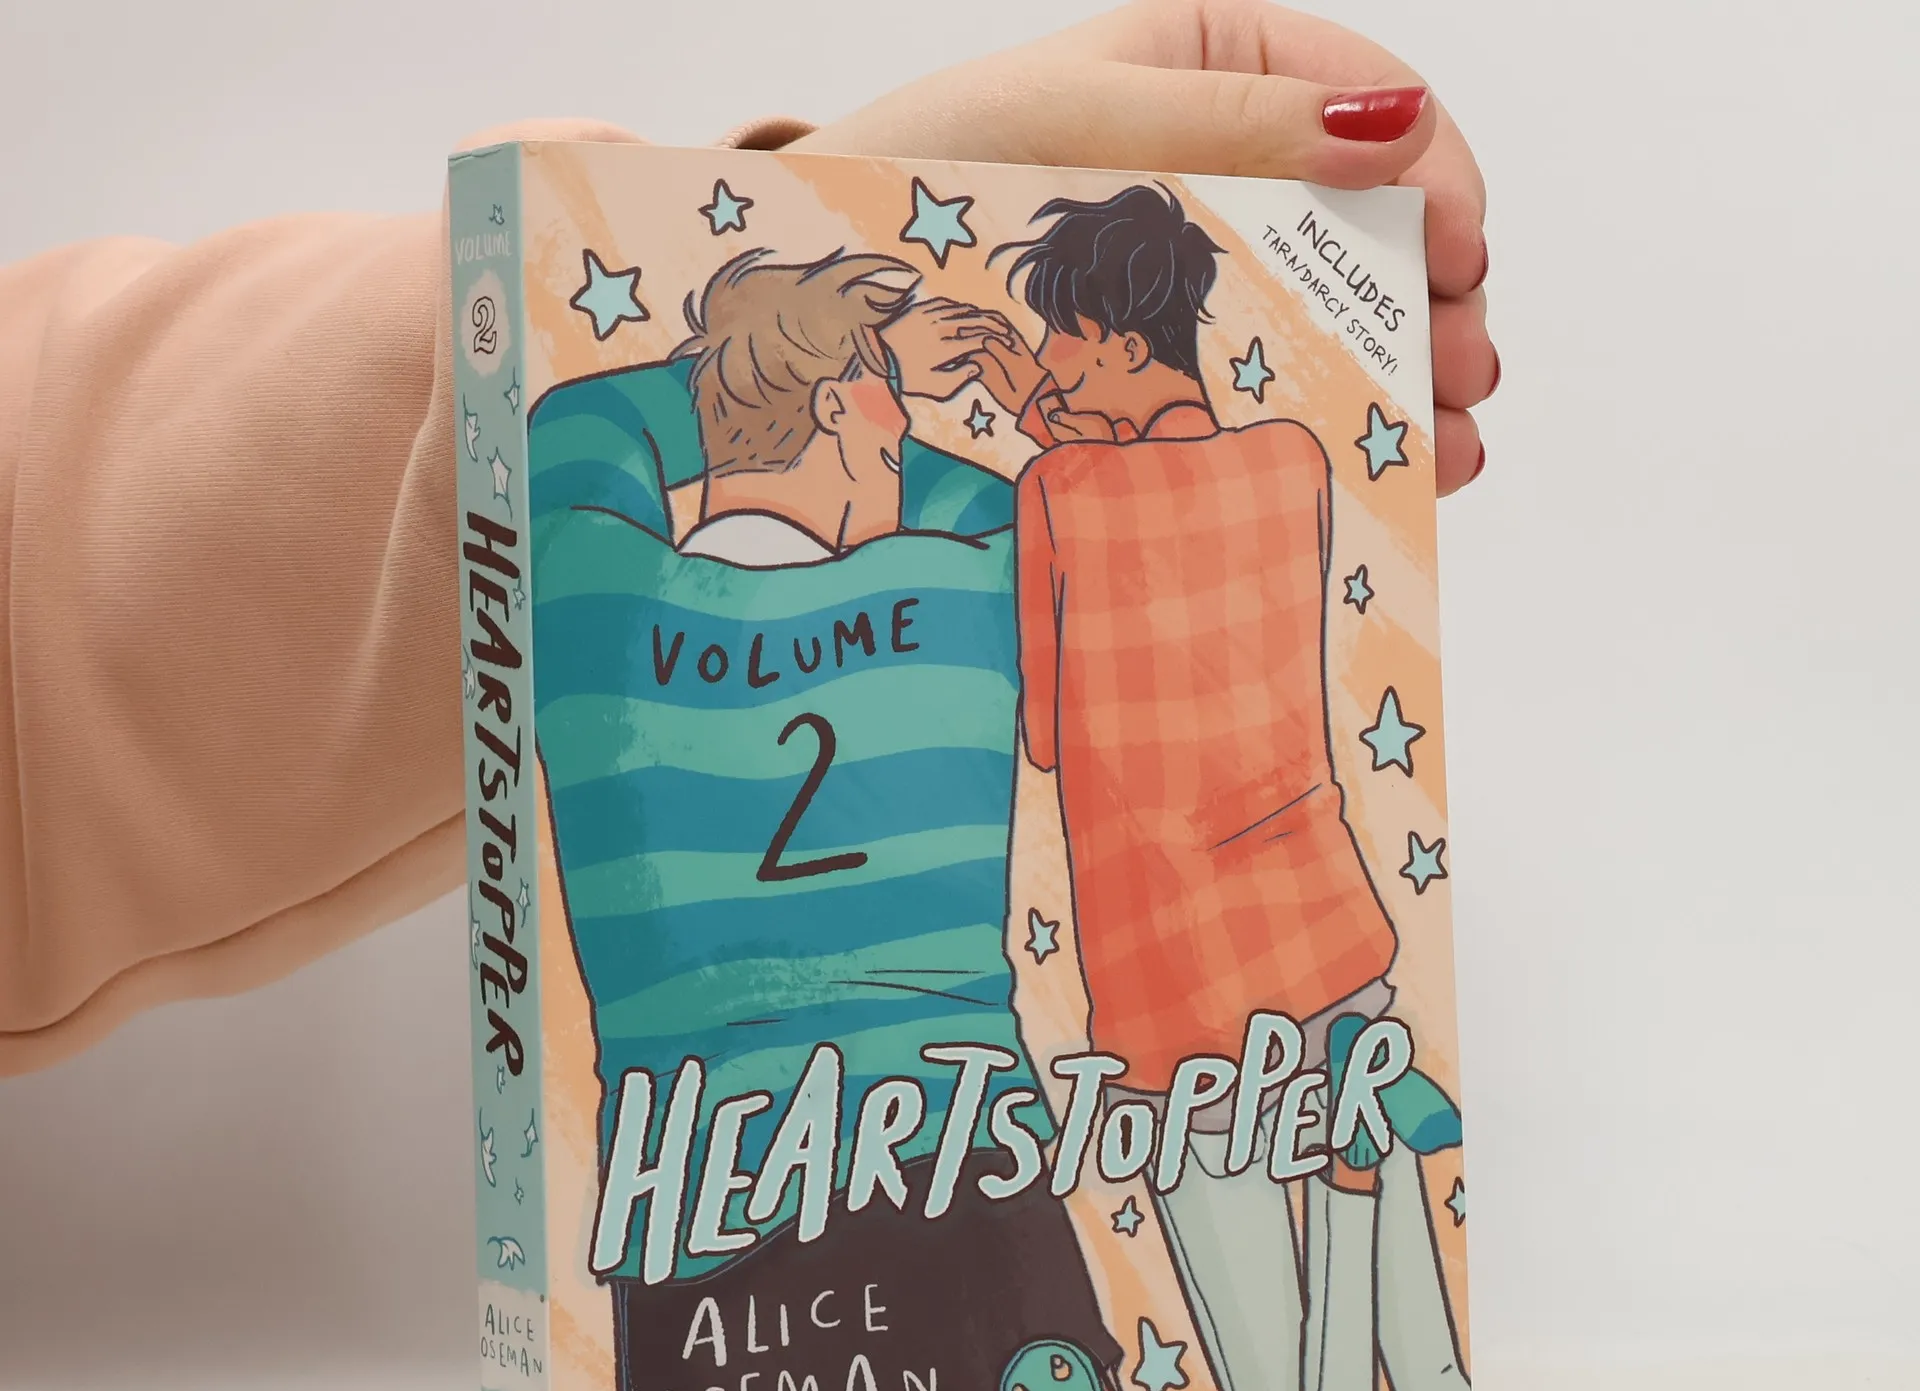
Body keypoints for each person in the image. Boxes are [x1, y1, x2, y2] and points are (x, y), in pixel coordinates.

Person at [0, 0, 1495, 1079]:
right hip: (1081, 1076)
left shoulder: (687, 528)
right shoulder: (1080, 507)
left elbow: (587, 427)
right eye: (877, 397)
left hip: (889, 1132)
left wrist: (818, 238)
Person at [527, 244, 1196, 1391]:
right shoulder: (962, 580)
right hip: (958, 1133)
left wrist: (761, 370)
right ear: (842, 411)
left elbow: (577, 423)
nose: (904, 438)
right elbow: (997, 497)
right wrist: (915, 384)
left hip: (714, 1183)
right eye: (886, 408)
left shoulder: (589, 590)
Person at [962, 182, 1475, 1391]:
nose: (1047, 365)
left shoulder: (1053, 494)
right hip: (1328, 946)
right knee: (1439, 1378)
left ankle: (1347, 1184)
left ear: (1119, 345)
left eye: (1063, 342)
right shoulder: (1295, 461)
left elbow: (1048, 736)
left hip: (1179, 1006)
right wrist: (1061, 420)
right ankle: (1360, 1152)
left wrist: (1045, 437)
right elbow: (1167, 494)